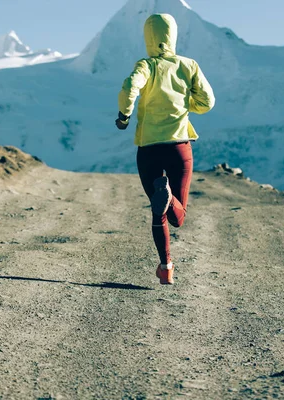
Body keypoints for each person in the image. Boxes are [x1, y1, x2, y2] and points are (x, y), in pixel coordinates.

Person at [115, 13, 215, 285]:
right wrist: (185, 106)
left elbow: (129, 87)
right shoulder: (189, 65)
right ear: (173, 36)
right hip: (178, 147)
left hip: (148, 149)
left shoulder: (146, 66)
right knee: (177, 217)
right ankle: (169, 197)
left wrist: (124, 116)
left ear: (148, 37)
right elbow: (207, 102)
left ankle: (166, 266)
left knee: (156, 210)